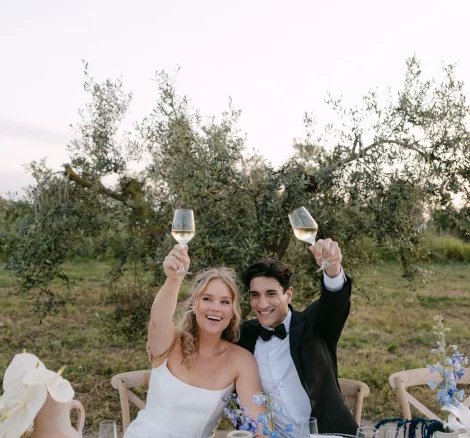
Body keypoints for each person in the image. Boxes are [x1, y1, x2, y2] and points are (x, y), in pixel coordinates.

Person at [125, 244, 264, 438]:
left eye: (224, 302)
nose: (216, 308)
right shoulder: (170, 343)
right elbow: (159, 318)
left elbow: (259, 427)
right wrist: (174, 279)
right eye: (207, 299)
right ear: (194, 305)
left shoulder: (241, 361)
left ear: (232, 312)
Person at [238, 238, 358, 436]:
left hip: (329, 434)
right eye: (255, 295)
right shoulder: (245, 336)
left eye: (271, 293)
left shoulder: (313, 324)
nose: (262, 303)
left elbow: (335, 302)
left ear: (289, 295)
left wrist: (333, 269)